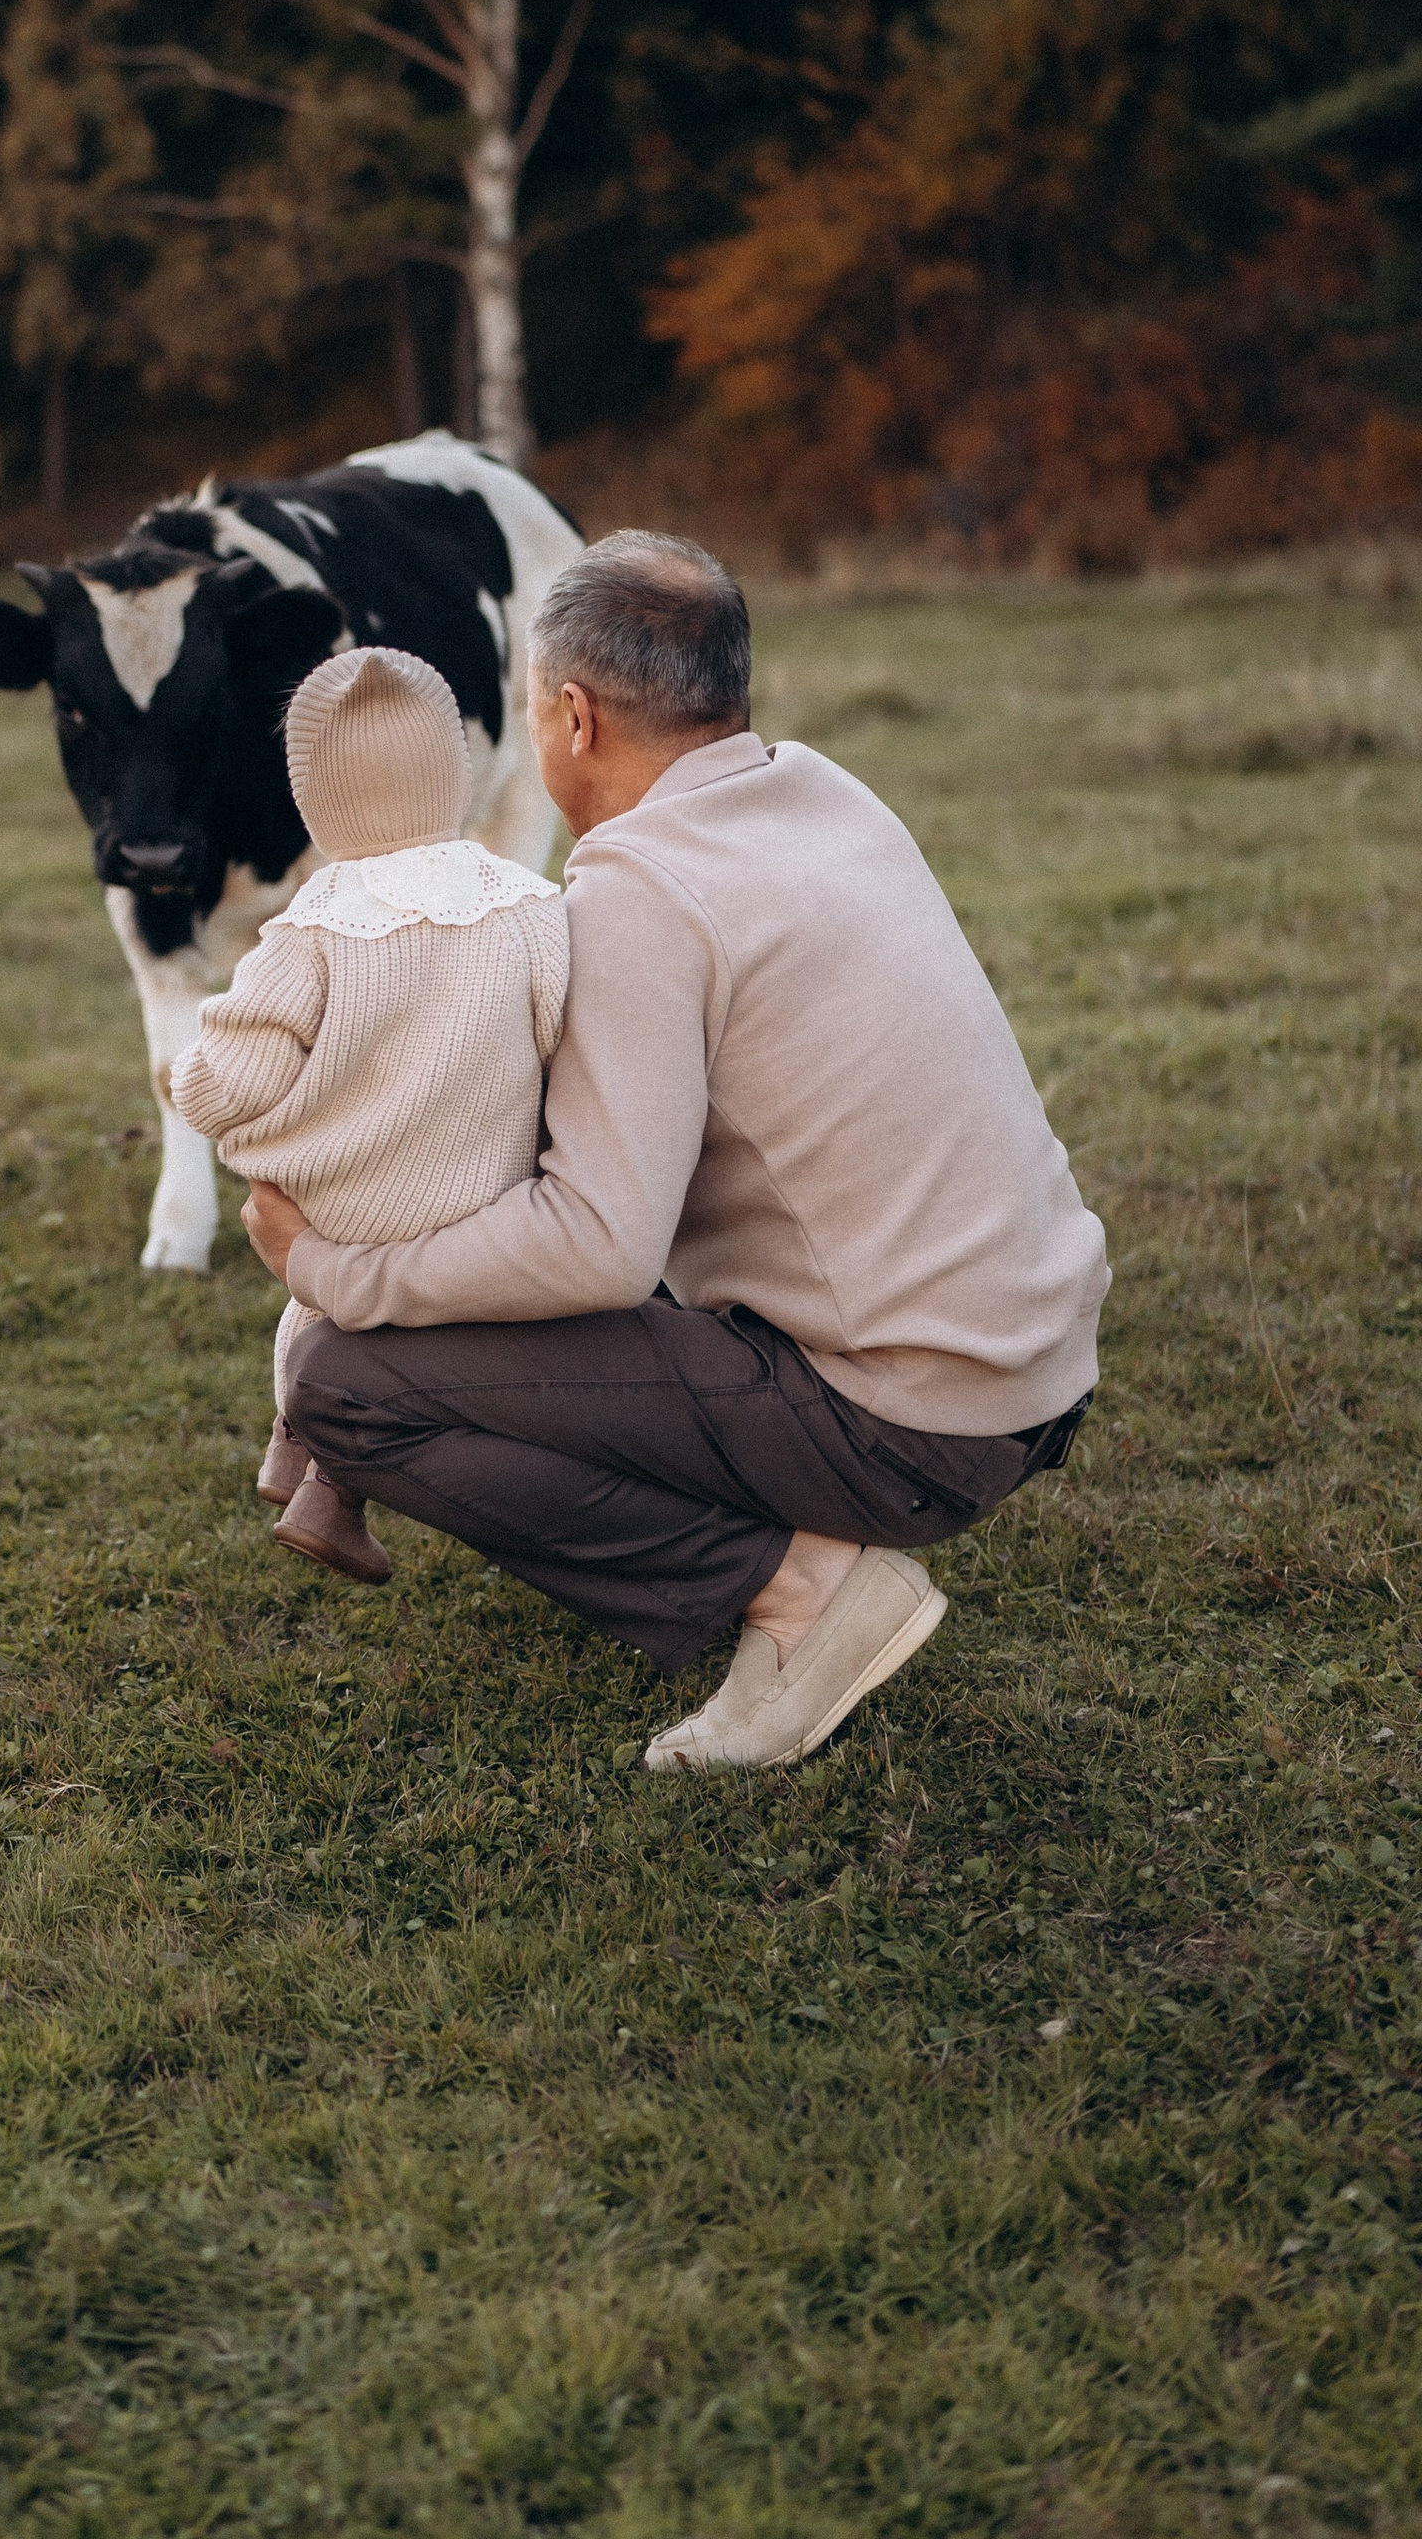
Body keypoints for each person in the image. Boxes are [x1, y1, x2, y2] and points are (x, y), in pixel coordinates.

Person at [246, 532, 1105, 1772]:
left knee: (345, 1381)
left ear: (575, 717)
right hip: (1031, 1366)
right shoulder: (823, 791)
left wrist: (331, 1267)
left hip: (912, 1426)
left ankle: (800, 1592)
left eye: (537, 709)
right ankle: (782, 1547)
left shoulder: (638, 892)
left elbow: (599, 1244)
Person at [171, 645, 566, 1581]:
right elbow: (563, 1038)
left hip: (346, 1215)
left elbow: (225, 1081)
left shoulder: (308, 933)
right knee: (357, 1325)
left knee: (318, 1305)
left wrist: (196, 1073)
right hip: (482, 1206)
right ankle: (324, 1478)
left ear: (307, 800)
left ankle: (302, 1455)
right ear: (462, 772)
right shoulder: (531, 907)